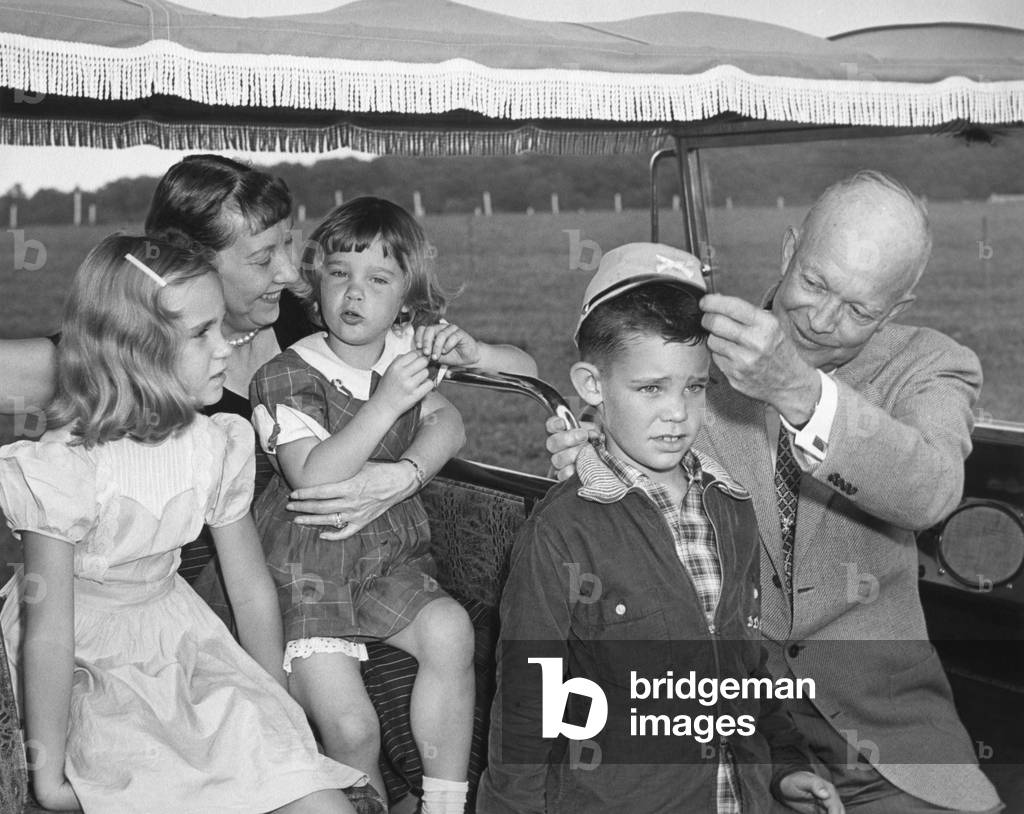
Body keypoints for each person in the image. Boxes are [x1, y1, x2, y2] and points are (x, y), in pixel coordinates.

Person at [546, 172, 1002, 813]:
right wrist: (589, 462)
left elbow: (930, 491)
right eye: (814, 282)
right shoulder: (695, 348)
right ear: (789, 249)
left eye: (859, 310)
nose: (822, 319)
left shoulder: (932, 365)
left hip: (889, 744)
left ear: (897, 310)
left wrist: (800, 393)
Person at [0, 235, 369, 813]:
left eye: (221, 327)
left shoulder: (214, 442)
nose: (225, 350)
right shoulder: (65, 465)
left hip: (179, 635)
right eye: (202, 334)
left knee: (309, 790)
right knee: (155, 781)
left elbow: (249, 589)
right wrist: (46, 776)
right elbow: (49, 628)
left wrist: (274, 699)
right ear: (136, 350)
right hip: (85, 660)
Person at [480, 242, 843, 814]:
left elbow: (747, 668)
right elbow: (529, 704)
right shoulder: (563, 531)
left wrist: (785, 767)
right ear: (592, 385)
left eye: (694, 386)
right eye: (651, 388)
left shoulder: (731, 506)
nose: (678, 412)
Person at [251, 197, 482, 814]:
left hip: (388, 559)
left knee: (451, 630)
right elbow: (312, 477)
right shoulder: (285, 374)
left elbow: (468, 408)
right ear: (315, 282)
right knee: (354, 731)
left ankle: (444, 803)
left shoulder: (404, 352)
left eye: (378, 280)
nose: (354, 294)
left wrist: (468, 352)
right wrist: (387, 404)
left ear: (406, 299)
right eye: (338, 275)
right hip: (309, 572)